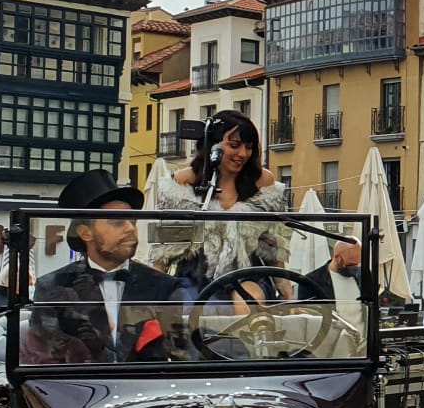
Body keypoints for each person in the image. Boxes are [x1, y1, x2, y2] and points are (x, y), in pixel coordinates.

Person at [24, 171, 184, 365]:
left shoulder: (164, 287)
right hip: (80, 391)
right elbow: (43, 361)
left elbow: (178, 356)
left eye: (132, 220)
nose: (130, 228)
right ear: (86, 233)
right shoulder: (53, 288)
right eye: (117, 222)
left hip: (146, 392)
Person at [145, 111, 289, 289]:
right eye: (234, 145)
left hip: (250, 278)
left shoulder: (263, 181)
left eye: (249, 147)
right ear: (212, 145)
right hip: (195, 280)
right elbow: (164, 250)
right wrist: (150, 293)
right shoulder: (182, 182)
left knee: (250, 296)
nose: (243, 153)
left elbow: (274, 248)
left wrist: (287, 295)